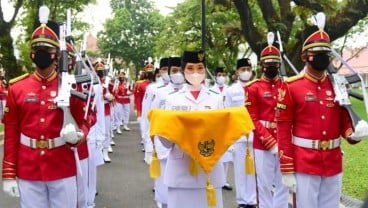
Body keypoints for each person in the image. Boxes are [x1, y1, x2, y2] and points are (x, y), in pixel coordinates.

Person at [2, 5, 88, 207]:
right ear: (31, 53)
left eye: (47, 49)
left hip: (61, 165)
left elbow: (86, 118)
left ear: (56, 53)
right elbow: (12, 133)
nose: (41, 53)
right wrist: (8, 173)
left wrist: (80, 134)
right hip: (28, 168)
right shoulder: (17, 88)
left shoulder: (69, 85)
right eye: (37, 49)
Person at [276, 23, 368, 208]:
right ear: (305, 57)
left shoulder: (337, 85)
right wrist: (286, 167)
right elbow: (283, 127)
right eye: (317, 54)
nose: (322, 58)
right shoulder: (291, 87)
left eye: (326, 54)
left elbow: (343, 121)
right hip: (305, 161)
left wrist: (353, 133)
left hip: (333, 160)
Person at [159, 50, 225, 208]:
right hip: (181, 168)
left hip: (209, 168)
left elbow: (224, 132)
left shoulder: (216, 98)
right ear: (183, 70)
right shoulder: (171, 99)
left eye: (200, 68)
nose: (195, 72)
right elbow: (166, 141)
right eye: (190, 68)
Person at [246, 36, 289, 208]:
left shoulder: (288, 86)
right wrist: (269, 141)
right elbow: (252, 119)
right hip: (262, 142)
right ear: (262, 65)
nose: (271, 67)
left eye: (275, 63)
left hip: (285, 141)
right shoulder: (253, 88)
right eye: (268, 64)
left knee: (284, 184)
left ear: (279, 65)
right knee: (263, 186)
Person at [150, 56, 185, 208]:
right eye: (174, 71)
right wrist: (150, 144)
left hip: (184, 144)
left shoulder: (188, 92)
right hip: (164, 144)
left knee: (180, 185)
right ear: (169, 73)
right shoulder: (160, 92)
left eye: (180, 70)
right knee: (164, 185)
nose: (178, 74)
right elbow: (151, 118)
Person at [224, 58, 257, 208]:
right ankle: (242, 200)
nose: (245, 72)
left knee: (254, 171)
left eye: (248, 69)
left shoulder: (257, 87)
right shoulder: (231, 90)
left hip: (256, 135)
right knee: (240, 170)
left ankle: (252, 199)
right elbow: (227, 114)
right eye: (242, 69)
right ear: (237, 72)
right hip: (238, 136)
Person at [210, 67, 233, 191]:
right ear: (215, 76)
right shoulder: (210, 91)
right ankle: (216, 178)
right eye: (219, 74)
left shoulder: (230, 90)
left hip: (227, 123)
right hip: (215, 124)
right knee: (216, 153)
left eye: (223, 74)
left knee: (227, 154)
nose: (221, 77)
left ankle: (224, 180)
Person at [95, 60, 114, 163]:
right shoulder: (91, 81)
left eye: (101, 70)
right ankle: (97, 151)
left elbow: (113, 93)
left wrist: (109, 96)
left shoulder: (107, 82)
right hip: (94, 111)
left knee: (105, 131)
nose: (100, 72)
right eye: (98, 70)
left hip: (105, 110)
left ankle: (105, 151)